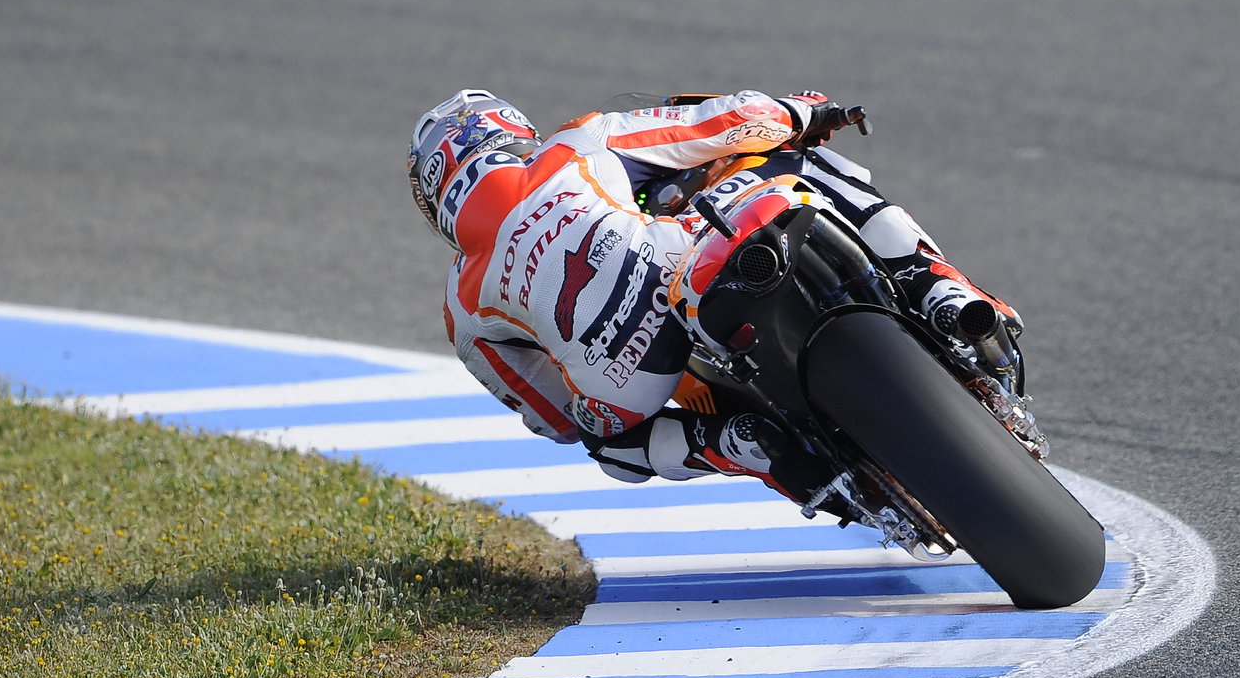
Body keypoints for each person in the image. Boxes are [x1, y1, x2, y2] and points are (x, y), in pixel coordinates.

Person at [406, 88, 1022, 506]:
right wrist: (802, 111)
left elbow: (552, 416)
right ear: (507, 132)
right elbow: (717, 124)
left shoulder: (460, 308)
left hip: (626, 381)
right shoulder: (574, 146)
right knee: (800, 167)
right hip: (679, 266)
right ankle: (933, 285)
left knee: (610, 449)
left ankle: (740, 446)